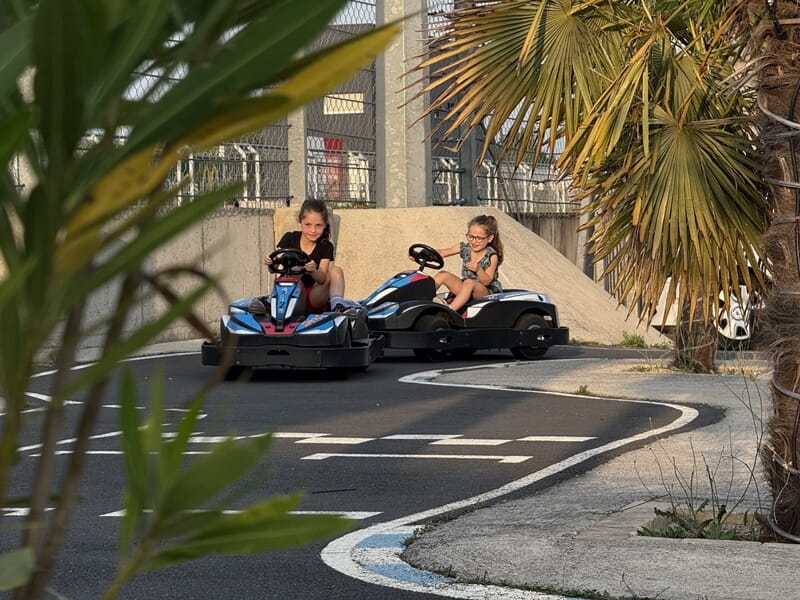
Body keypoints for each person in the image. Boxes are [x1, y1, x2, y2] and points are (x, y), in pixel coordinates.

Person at [263, 199, 347, 312]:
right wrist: (271, 262)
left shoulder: (325, 246)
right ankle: (271, 301)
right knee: (294, 267)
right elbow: (274, 269)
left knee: (336, 270)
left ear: (325, 225)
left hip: (312, 296)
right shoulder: (289, 238)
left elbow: (322, 279)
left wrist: (313, 270)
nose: (312, 230)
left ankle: (337, 306)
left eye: (318, 225)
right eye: (308, 224)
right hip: (289, 293)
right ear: (300, 222)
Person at [429, 214, 504, 312]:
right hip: (466, 288)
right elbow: (443, 252)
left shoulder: (491, 255)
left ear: (489, 238)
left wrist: (478, 270)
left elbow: (487, 281)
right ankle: (423, 298)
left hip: (485, 292)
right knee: (443, 275)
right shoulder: (465, 248)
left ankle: (450, 310)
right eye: (470, 236)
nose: (473, 241)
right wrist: (421, 254)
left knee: (469, 282)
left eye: (479, 238)